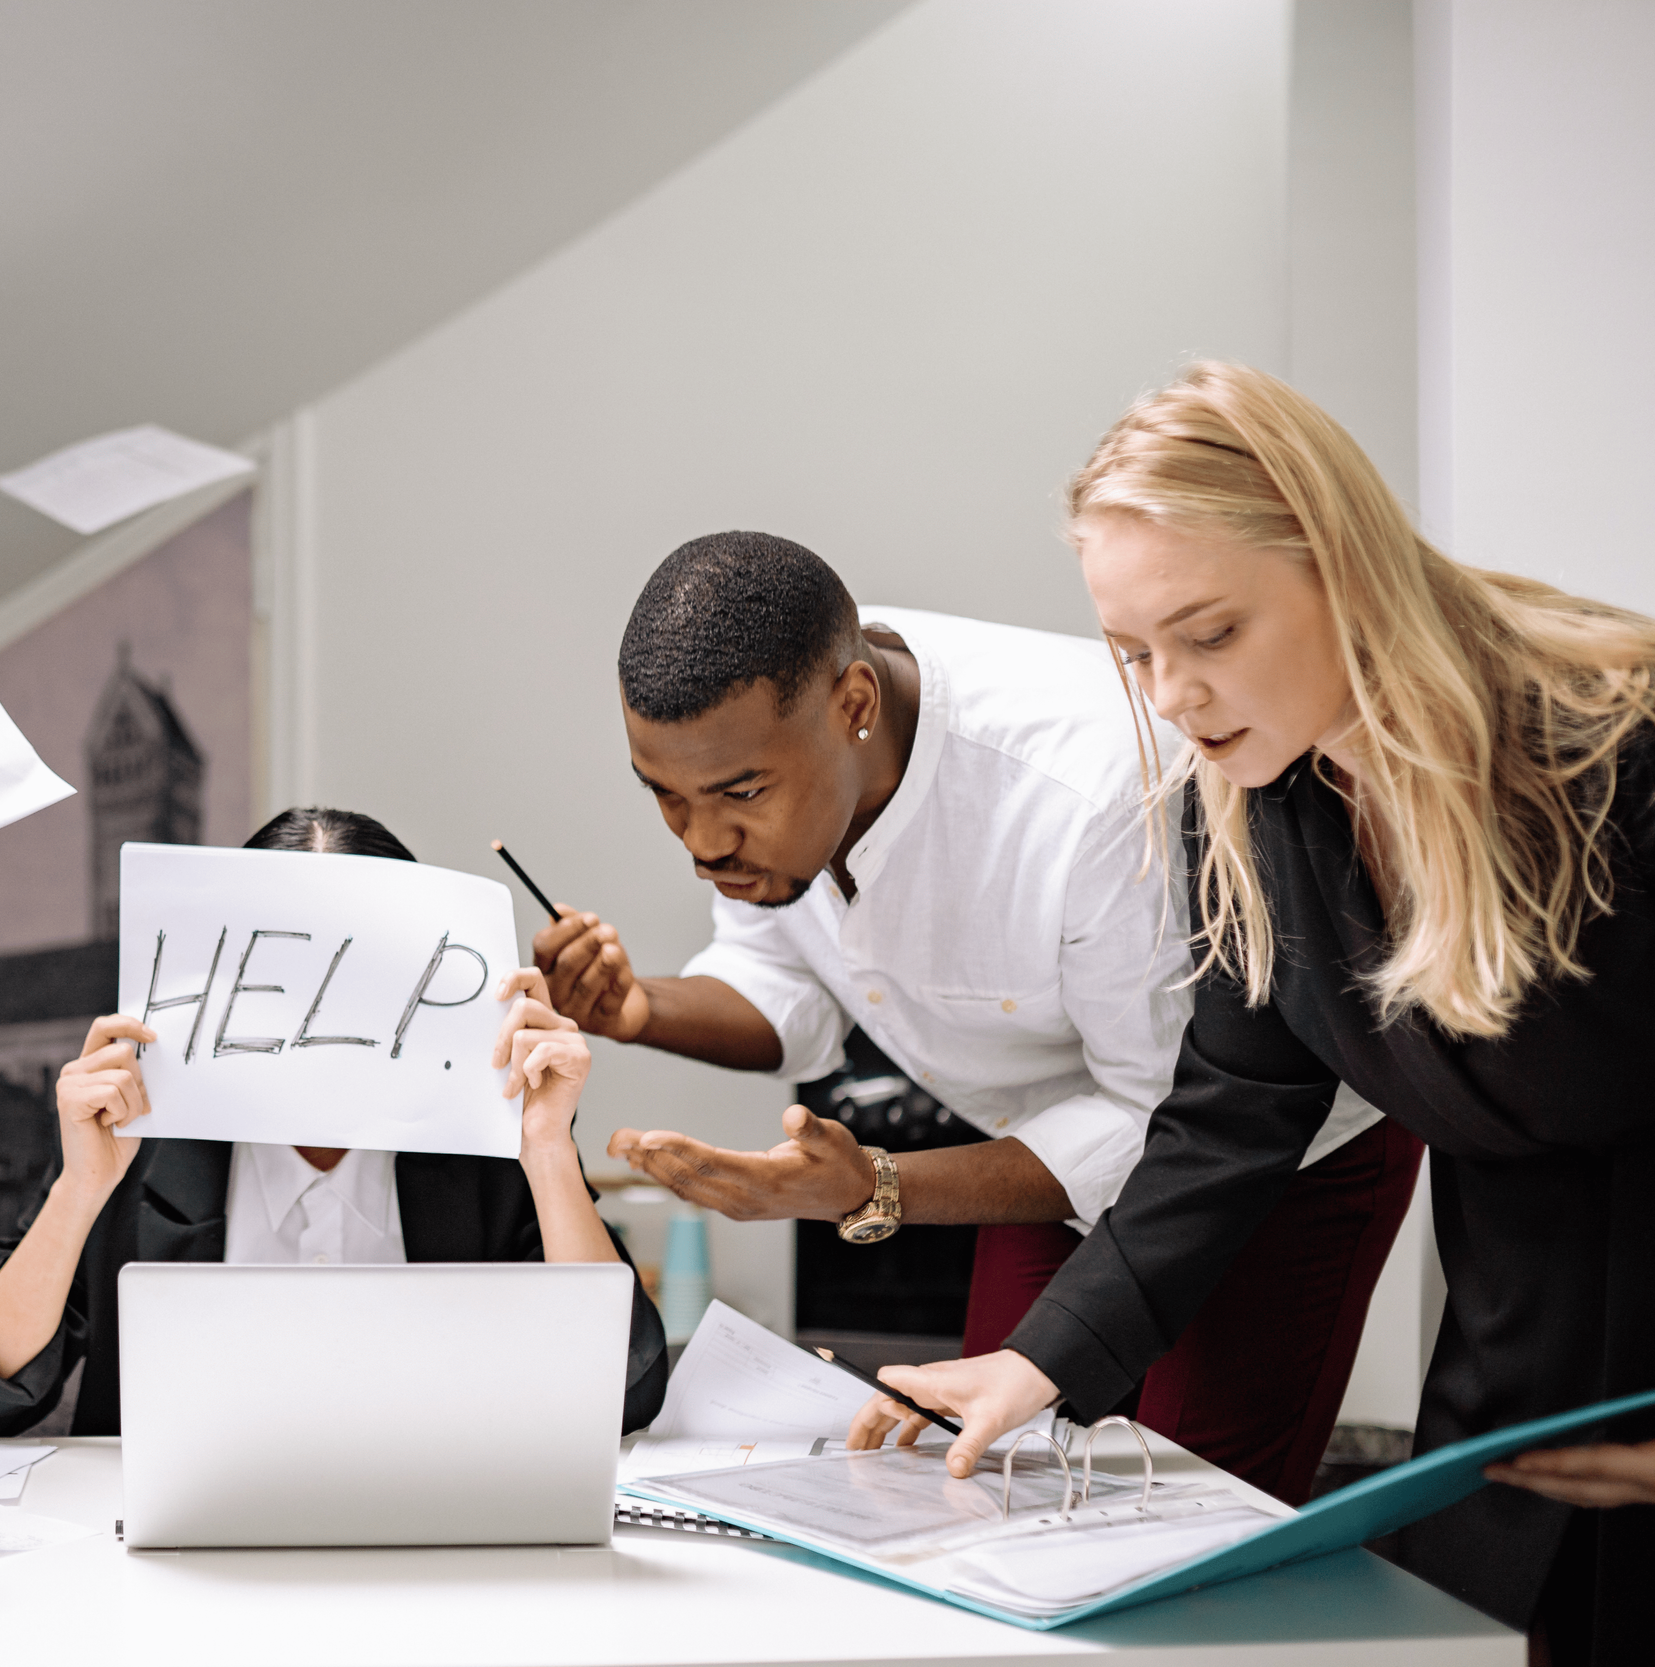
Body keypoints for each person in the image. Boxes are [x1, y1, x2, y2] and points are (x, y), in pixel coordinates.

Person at [857, 363, 1654, 1662]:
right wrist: (1043, 1359)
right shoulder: (1257, 799)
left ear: (1344, 564)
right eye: (1135, 653)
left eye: (1210, 633)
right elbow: (1232, 1111)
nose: (1170, 693)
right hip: (1520, 1389)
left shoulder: (1616, 752)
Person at [543, 531, 1421, 1502]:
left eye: (738, 795)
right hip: (1034, 1143)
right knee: (970, 1474)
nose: (703, 841)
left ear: (854, 707)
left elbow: (1172, 1124)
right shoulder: (774, 719)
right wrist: (636, 1008)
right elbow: (779, 979)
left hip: (1272, 1157)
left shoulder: (1087, 793)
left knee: (1197, 1511)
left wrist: (875, 1187)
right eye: (665, 798)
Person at [0, 807, 668, 1438]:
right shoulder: (138, 1142)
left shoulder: (486, 1148)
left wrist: (545, 1152)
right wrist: (80, 1190)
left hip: (433, 1556)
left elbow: (624, 1390)